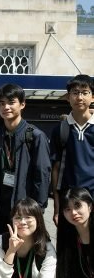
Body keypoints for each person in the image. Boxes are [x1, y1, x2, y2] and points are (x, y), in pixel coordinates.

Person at [0, 84, 51, 241]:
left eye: (11, 102)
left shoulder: (35, 136)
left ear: (22, 104)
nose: (5, 107)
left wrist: (37, 210)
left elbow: (42, 175)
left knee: (24, 256)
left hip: (24, 212)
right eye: (1, 103)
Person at [51, 74, 94, 226]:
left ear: (92, 97)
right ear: (68, 97)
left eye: (84, 92)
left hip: (92, 199)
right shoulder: (60, 130)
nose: (79, 97)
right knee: (68, 248)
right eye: (75, 93)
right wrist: (57, 208)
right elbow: (55, 169)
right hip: (68, 202)